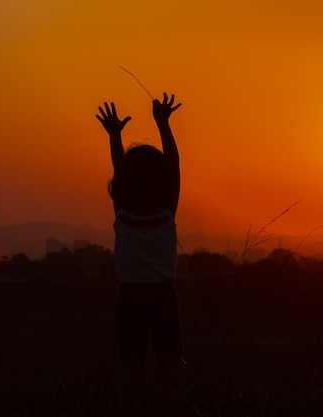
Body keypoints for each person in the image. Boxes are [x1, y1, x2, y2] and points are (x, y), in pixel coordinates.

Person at [96, 93, 184, 415]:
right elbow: (173, 166)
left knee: (131, 378)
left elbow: (122, 173)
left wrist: (114, 135)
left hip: (130, 298)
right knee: (170, 378)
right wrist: (163, 123)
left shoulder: (123, 214)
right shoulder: (166, 213)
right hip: (165, 295)